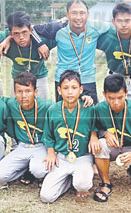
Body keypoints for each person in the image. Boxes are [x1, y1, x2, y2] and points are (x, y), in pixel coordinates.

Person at [93, 74, 131, 202]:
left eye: (120, 97)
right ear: (104, 94)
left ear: (126, 93)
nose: (116, 103)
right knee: (100, 144)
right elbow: (93, 128)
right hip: (113, 148)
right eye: (111, 98)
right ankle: (105, 183)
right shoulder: (99, 108)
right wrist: (104, 133)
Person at [40, 70, 100, 203]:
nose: (70, 92)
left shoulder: (88, 107)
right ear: (59, 90)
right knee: (46, 197)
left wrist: (94, 136)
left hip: (82, 156)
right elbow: (48, 135)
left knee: (83, 185)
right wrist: (51, 152)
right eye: (66, 88)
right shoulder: (53, 110)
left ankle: (77, 180)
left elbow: (95, 127)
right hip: (62, 157)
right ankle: (67, 180)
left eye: (74, 88)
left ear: (81, 89)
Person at [0, 72, 54, 189]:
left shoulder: (47, 106)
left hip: (41, 146)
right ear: (15, 93)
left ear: (36, 92)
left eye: (28, 91)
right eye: (19, 92)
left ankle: (35, 171)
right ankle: (25, 167)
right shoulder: (12, 104)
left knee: (38, 171)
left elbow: (65, 106)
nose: (24, 95)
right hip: (22, 147)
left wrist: (85, 99)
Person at [0, 11, 56, 99]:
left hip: (39, 77)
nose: (21, 37)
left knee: (43, 107)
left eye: (24, 32)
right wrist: (7, 39)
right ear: (10, 33)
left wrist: (40, 43)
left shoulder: (44, 40)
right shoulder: (5, 38)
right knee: (15, 107)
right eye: (16, 33)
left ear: (31, 30)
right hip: (17, 78)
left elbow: (62, 33)